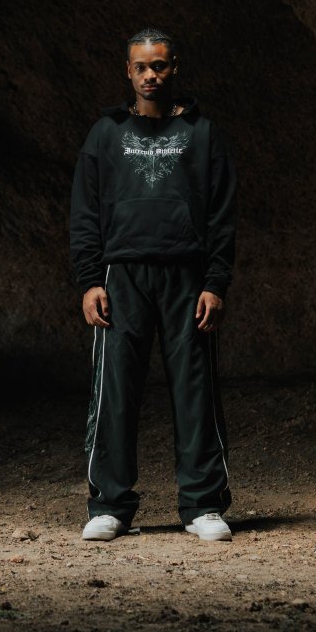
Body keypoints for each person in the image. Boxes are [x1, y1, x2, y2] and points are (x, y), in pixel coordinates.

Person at [70, 28, 236, 543]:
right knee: (116, 390)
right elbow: (84, 212)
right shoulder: (105, 133)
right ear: (128, 71)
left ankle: (203, 505)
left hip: (186, 273)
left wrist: (215, 282)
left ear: (174, 68)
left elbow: (222, 214)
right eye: (141, 66)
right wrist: (89, 280)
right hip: (123, 276)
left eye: (159, 66)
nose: (150, 75)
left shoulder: (203, 133)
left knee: (194, 389)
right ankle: (110, 505)